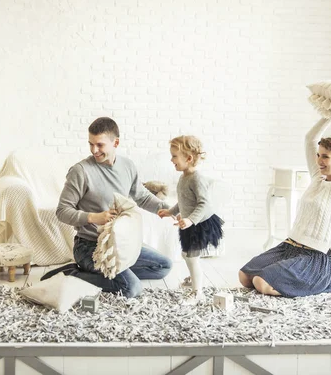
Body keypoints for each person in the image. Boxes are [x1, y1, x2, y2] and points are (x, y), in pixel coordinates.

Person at [41, 117, 172, 298]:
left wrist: (167, 210)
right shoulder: (81, 171)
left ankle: (115, 272)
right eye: (91, 144)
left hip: (121, 244)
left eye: (100, 145)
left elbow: (141, 196)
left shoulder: (127, 166)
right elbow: (62, 211)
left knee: (163, 266)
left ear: (115, 142)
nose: (94, 150)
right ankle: (73, 274)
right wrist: (95, 217)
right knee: (130, 288)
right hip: (90, 247)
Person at [239, 110, 331, 297]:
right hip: (289, 247)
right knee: (245, 276)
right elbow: (310, 139)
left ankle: (316, 283)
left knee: (261, 283)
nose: (319, 161)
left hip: (313, 257)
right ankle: (287, 279)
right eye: (319, 155)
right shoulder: (317, 180)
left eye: (326, 157)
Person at [157, 136, 224, 303]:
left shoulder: (196, 178)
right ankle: (194, 280)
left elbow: (204, 203)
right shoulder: (183, 177)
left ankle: (198, 293)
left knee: (192, 257)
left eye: (174, 156)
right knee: (187, 255)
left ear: (188, 158)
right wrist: (170, 211)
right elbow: (184, 200)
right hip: (189, 223)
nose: (171, 160)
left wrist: (190, 220)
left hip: (199, 224)